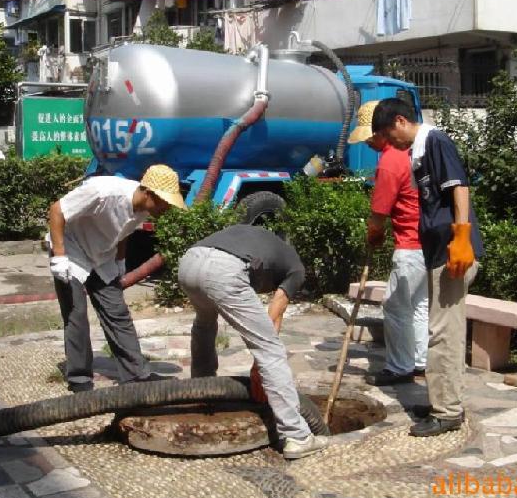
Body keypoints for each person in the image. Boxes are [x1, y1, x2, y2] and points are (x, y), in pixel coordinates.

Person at [371, 97, 484, 437]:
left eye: (390, 136)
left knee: (443, 334)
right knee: (439, 330)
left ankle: (447, 412)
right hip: (436, 254)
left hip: (453, 254)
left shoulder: (435, 141)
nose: (391, 144)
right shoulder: (418, 152)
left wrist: (461, 237)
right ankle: (442, 400)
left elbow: (459, 187)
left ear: (401, 121)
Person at [177, 224, 329, 460]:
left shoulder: (259, 239)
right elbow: (275, 313)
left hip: (189, 261)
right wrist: (259, 368)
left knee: (204, 323)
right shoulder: (296, 268)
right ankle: (297, 436)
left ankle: (202, 392)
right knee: (270, 348)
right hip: (223, 270)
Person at [48, 164, 185, 392]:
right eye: (163, 202)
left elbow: (123, 232)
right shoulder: (103, 192)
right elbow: (56, 211)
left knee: (117, 313)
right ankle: (80, 380)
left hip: (102, 257)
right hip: (71, 250)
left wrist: (120, 261)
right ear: (148, 192)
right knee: (76, 314)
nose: (166, 209)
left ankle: (136, 375)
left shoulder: (143, 208)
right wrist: (60, 256)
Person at [348, 100, 429, 386]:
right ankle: (420, 360)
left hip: (409, 245)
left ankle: (399, 367)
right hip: (427, 244)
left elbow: (378, 214)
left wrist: (373, 235)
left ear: (384, 131)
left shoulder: (390, 162)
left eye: (370, 136)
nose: (367, 143)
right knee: (418, 305)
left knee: (396, 307)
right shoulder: (410, 153)